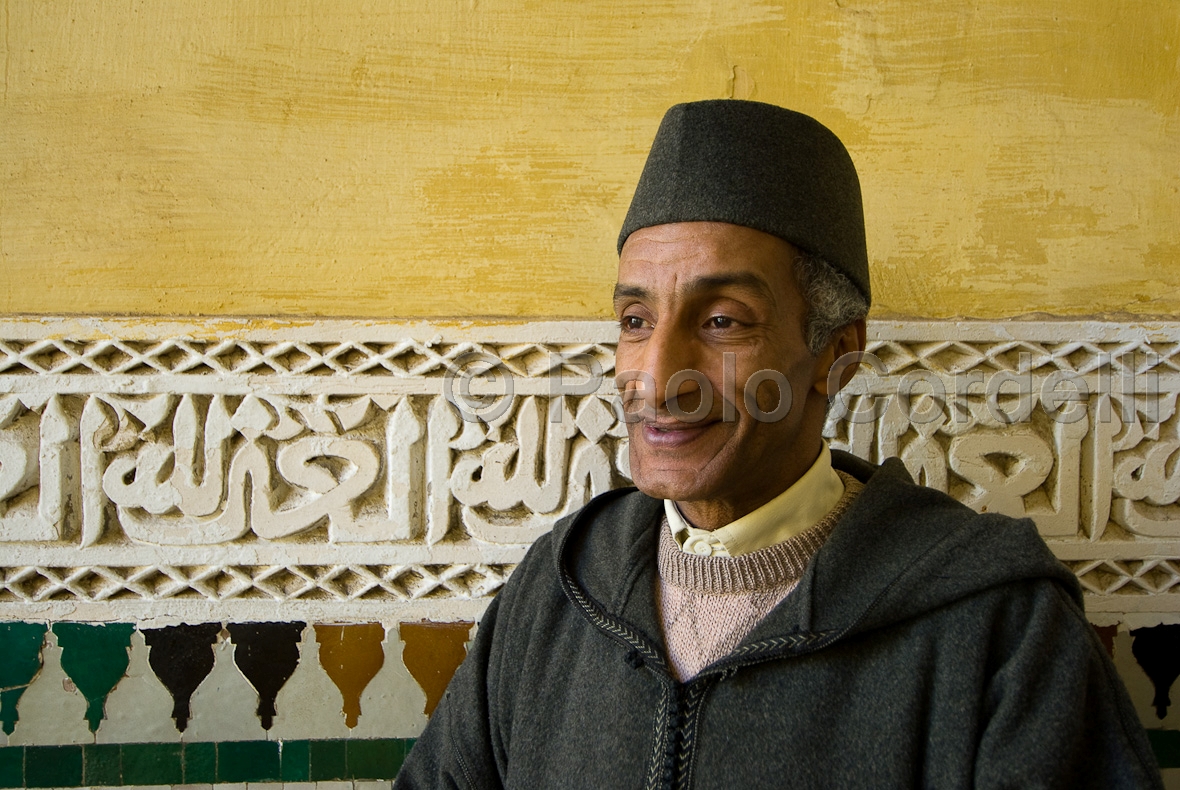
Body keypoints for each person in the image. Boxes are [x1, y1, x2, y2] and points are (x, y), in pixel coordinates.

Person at [394, 100, 1162, 789]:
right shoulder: (558, 592)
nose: (656, 379)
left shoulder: (998, 628)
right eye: (635, 321)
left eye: (723, 321)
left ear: (836, 355)